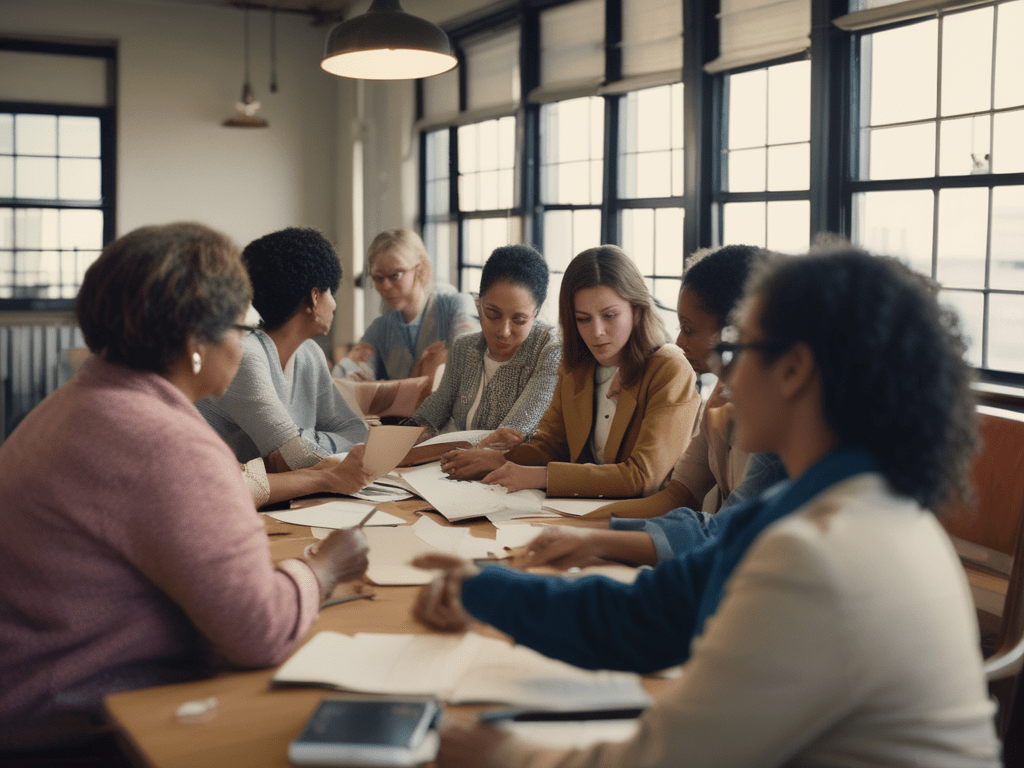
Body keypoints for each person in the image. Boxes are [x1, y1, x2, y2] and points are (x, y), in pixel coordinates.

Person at [413, 245, 1000, 767]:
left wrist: (514, 757)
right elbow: (649, 614)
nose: (719, 371)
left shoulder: (820, 555)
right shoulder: (829, 504)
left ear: (793, 370)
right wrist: (483, 589)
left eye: (738, 348)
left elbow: (671, 755)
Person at [0, 223, 368, 751]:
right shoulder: (168, 443)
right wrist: (324, 568)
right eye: (242, 328)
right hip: (70, 728)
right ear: (197, 341)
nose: (245, 346)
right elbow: (259, 631)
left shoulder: (80, 402)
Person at [519, 245, 787, 568]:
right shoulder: (719, 397)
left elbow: (720, 530)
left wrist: (591, 536)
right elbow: (677, 497)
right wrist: (580, 528)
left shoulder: (780, 417)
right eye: (583, 319)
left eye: (688, 329)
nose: (679, 342)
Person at [440, 245, 701, 499]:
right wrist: (499, 458)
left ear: (637, 310)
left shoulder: (669, 368)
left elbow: (642, 478)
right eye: (583, 319)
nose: (596, 332)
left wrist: (541, 477)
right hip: (574, 510)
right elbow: (551, 445)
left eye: (609, 315)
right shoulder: (576, 366)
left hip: (636, 522)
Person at [197, 227, 369, 472]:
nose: (334, 304)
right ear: (314, 297)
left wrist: (301, 437)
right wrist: (293, 446)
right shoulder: (245, 355)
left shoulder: (310, 354)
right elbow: (295, 459)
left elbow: (357, 433)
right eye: (330, 291)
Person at [410, 244, 561, 442]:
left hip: (511, 468)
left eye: (519, 320)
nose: (504, 331)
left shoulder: (549, 351)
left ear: (536, 314)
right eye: (492, 314)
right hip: (451, 463)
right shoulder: (464, 349)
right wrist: (410, 433)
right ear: (478, 304)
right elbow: (433, 411)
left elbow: (514, 433)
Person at [333, 228, 478, 382]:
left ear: (420, 269)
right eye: (378, 278)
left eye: (395, 275)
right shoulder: (381, 328)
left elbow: (469, 365)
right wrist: (358, 379)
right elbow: (346, 371)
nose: (386, 286)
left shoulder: (457, 306)